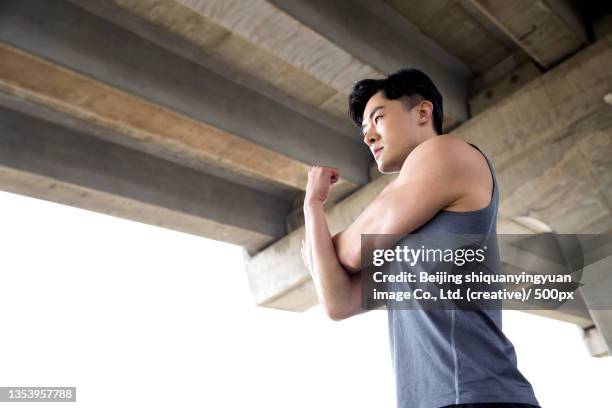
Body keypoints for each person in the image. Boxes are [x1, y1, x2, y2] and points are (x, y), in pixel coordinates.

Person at [300, 68, 541, 408]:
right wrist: (313, 207)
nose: (368, 137)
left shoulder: (446, 152)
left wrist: (319, 246)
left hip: (478, 398)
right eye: (364, 131)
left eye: (378, 119)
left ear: (423, 113)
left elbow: (350, 253)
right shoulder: (405, 244)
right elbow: (338, 302)